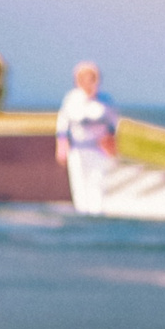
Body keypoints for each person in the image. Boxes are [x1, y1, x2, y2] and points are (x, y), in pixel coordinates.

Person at [54, 62, 120, 215]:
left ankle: (97, 213)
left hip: (98, 148)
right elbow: (63, 124)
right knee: (79, 183)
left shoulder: (105, 101)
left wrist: (111, 145)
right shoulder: (72, 99)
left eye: (92, 79)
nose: (88, 82)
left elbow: (113, 124)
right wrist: (62, 147)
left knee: (97, 182)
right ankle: (82, 213)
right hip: (78, 148)